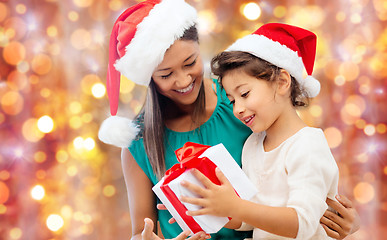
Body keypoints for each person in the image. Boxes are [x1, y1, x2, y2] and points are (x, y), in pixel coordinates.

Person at [97, 0, 360, 239]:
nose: (183, 80)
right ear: (149, 78)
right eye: (166, 74)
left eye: (190, 63)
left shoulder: (243, 100)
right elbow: (142, 231)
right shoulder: (139, 142)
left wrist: (344, 221)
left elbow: (303, 177)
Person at [179, 23, 358, 239]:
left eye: (244, 94)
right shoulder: (252, 145)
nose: (238, 109)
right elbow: (250, 217)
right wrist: (213, 206)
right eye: (232, 100)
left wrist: (236, 207)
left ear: (282, 82)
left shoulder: (307, 145)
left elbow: (302, 224)